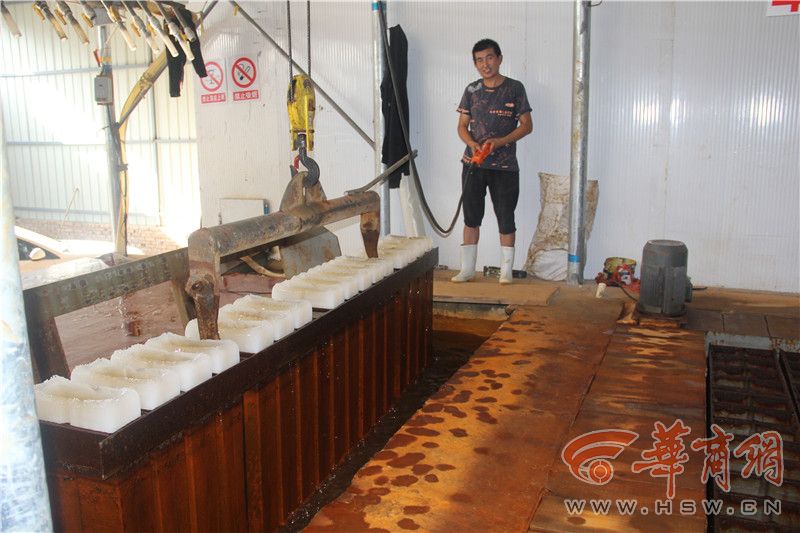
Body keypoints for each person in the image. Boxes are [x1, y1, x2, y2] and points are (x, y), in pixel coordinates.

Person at [451, 38, 533, 285]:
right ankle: (467, 270)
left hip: (505, 167)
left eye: (489, 58)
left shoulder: (515, 88)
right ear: (475, 64)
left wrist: (500, 142)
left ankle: (506, 272)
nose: (485, 64)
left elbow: (527, 125)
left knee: (506, 217)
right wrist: (472, 143)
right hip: (473, 165)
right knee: (471, 217)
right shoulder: (471, 90)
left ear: (499, 59)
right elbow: (462, 126)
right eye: (479, 60)